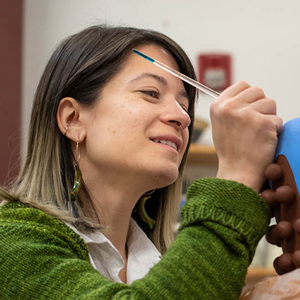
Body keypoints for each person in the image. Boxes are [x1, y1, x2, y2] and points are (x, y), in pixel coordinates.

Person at [0, 24, 282, 300]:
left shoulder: (160, 260)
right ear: (73, 119)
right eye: (150, 93)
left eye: (184, 106)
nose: (183, 117)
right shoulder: (11, 242)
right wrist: (236, 178)